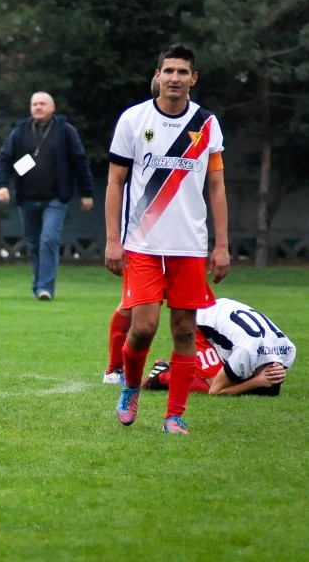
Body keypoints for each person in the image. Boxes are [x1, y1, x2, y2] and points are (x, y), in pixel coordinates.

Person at [105, 43, 231, 434]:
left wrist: (222, 245)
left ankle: (174, 415)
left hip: (189, 247)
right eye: (168, 71)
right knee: (143, 327)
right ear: (157, 75)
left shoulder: (207, 125)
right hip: (142, 244)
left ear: (194, 79)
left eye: (182, 72)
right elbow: (114, 181)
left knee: (184, 331)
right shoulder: (132, 119)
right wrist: (112, 240)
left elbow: (217, 187)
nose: (175, 78)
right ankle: (129, 387)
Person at [0, 91, 95, 301]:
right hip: (28, 198)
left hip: (55, 199)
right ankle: (38, 284)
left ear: (52, 108)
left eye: (42, 104)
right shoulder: (21, 130)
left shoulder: (65, 131)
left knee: (48, 240)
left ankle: (45, 288)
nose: (38, 107)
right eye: (34, 104)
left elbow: (80, 161)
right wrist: (2, 185)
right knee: (33, 244)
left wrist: (86, 193)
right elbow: (4, 158)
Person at [142, 298, 296, 396]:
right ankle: (161, 376)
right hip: (201, 323)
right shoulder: (246, 354)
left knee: (232, 379)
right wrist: (256, 383)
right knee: (213, 382)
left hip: (224, 310)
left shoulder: (288, 350)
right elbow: (215, 391)